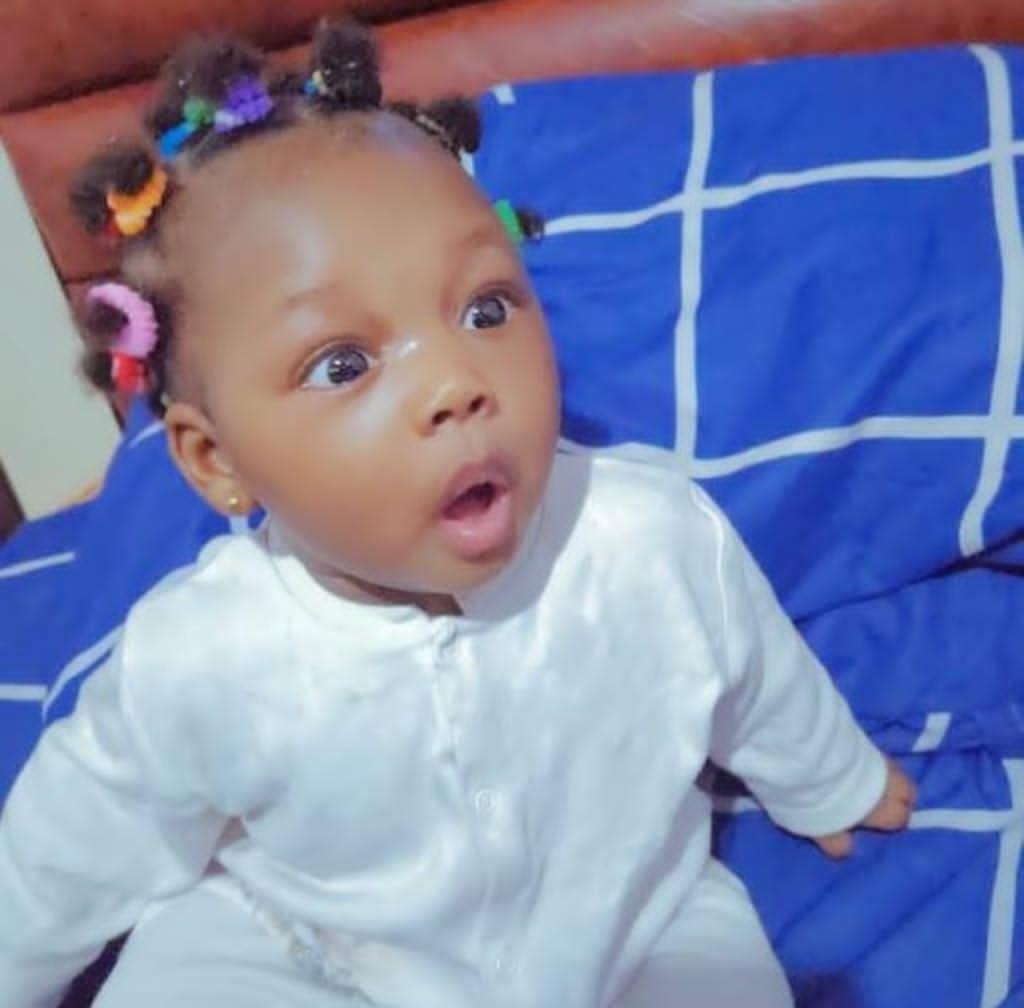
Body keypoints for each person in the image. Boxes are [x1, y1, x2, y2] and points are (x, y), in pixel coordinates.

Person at [0, 19, 915, 1008]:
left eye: (485, 310)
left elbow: (752, 669)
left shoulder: (645, 537)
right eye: (342, 364)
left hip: (631, 921)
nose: (455, 382)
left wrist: (829, 779)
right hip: (307, 947)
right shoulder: (200, 656)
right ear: (217, 461)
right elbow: (69, 848)